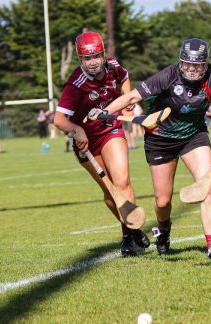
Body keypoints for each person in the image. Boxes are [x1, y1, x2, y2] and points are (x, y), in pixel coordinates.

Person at [89, 38, 211, 262]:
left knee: (208, 188)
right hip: (160, 140)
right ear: (180, 62)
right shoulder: (168, 75)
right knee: (163, 201)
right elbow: (132, 96)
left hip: (193, 136)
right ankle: (164, 231)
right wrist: (103, 111)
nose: (192, 69)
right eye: (187, 64)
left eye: (197, 65)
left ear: (205, 64)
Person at [53, 31, 149, 256]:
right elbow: (58, 119)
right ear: (80, 59)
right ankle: (135, 231)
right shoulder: (76, 84)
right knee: (109, 193)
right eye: (87, 58)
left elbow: (125, 78)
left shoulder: (114, 67)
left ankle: (127, 237)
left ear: (103, 54)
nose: (93, 62)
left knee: (122, 182)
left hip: (109, 130)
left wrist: (126, 103)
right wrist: (76, 130)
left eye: (97, 56)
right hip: (86, 141)